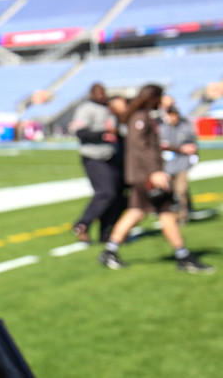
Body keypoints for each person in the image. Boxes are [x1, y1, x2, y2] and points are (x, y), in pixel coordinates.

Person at [99, 85, 212, 274]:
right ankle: (183, 256)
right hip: (146, 176)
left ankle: (110, 251)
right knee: (165, 212)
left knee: (136, 212)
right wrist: (155, 172)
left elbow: (155, 144)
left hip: (143, 174)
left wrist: (179, 149)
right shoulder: (140, 118)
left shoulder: (141, 117)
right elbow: (141, 147)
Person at [68, 83, 125, 243]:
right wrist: (103, 134)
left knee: (116, 196)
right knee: (106, 193)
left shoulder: (108, 107)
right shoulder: (86, 109)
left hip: (111, 155)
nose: (101, 95)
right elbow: (80, 132)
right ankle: (83, 224)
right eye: (97, 93)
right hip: (94, 156)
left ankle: (105, 232)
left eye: (102, 92)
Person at [159, 107, 197, 225]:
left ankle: (182, 216)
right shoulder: (163, 129)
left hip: (182, 164)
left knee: (181, 190)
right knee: (170, 192)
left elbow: (193, 145)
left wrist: (192, 156)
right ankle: (172, 214)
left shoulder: (185, 128)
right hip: (167, 165)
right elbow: (161, 145)